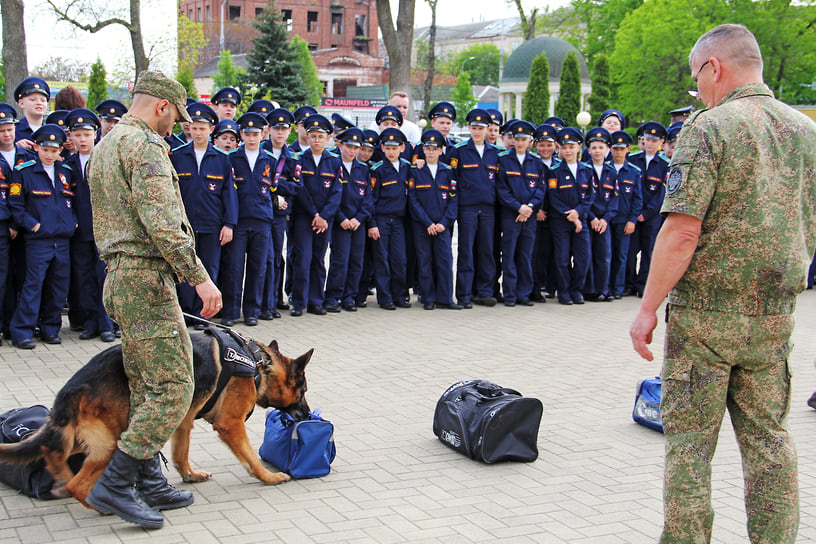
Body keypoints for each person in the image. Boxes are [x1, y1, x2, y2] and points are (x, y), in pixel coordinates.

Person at [630, 24, 816, 544]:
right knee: (771, 442)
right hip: (774, 317)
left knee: (689, 448)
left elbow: (682, 230)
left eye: (697, 79)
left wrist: (648, 309)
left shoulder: (710, 128)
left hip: (707, 319)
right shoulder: (806, 132)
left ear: (714, 67)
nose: (699, 91)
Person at [86, 71, 221, 529]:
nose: (176, 127)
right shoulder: (143, 145)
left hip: (121, 278)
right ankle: (117, 482)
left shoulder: (105, 145)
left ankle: (148, 479)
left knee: (147, 383)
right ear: (161, 106)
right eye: (175, 117)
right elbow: (161, 220)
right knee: (175, 386)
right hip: (145, 282)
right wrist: (199, 278)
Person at [168, 103, 237, 328]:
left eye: (202, 128)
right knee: (185, 270)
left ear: (211, 130)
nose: (198, 133)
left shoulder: (222, 158)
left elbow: (229, 194)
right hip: (184, 226)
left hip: (212, 225)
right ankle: (187, 313)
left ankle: (203, 314)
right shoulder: (177, 156)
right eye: (194, 128)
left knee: (209, 268)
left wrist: (229, 224)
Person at [7, 125, 76, 349]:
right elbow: (16, 205)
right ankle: (22, 332)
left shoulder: (65, 171)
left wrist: (72, 222)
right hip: (39, 240)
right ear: (36, 148)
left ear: (60, 152)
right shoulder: (24, 171)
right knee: (33, 286)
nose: (49, 155)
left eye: (53, 150)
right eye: (45, 149)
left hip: (63, 240)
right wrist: (33, 225)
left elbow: (71, 202)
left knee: (58, 288)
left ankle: (50, 329)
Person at [64, 108, 116, 342]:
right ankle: (90, 322)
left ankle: (107, 324)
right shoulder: (67, 165)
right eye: (77, 135)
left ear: (96, 133)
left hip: (104, 230)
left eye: (87, 134)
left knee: (103, 277)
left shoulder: (106, 159)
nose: (82, 140)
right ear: (71, 137)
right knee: (83, 279)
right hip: (79, 230)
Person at [449, 108, 501, 308]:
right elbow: (452, 181)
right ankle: (464, 294)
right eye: (474, 128)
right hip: (467, 208)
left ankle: (485, 291)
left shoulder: (496, 153)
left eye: (481, 128)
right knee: (466, 251)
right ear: (469, 128)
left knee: (487, 251)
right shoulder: (460, 151)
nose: (477, 131)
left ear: (488, 129)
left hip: (488, 208)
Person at [496, 120, 546, 306]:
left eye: (524, 139)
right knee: (509, 255)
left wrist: (530, 207)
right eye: (517, 139)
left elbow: (541, 188)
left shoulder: (536, 163)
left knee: (525, 255)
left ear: (530, 141)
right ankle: (509, 295)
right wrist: (518, 207)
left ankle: (523, 294)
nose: (520, 143)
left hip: (529, 216)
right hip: (511, 215)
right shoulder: (504, 160)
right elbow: (501, 189)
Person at [408, 129, 460, 310]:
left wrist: (443, 223)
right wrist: (427, 223)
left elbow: (453, 199)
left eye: (434, 148)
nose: (430, 152)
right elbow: (412, 200)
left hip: (442, 226)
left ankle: (445, 299)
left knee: (445, 261)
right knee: (425, 261)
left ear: (441, 151)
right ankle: (428, 298)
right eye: (427, 148)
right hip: (423, 225)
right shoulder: (416, 171)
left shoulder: (448, 172)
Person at [324, 127, 373, 312]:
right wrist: (342, 218)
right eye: (349, 147)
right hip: (340, 223)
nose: (352, 151)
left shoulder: (363, 169)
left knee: (356, 261)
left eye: (356, 147)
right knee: (340, 261)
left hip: (357, 223)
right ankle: (332, 297)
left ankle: (349, 297)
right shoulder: (334, 165)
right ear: (340, 145)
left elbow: (368, 199)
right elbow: (331, 197)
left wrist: (359, 219)